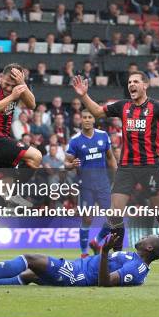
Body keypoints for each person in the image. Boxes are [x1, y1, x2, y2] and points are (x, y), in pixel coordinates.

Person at [72, 72, 159, 280]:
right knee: (115, 214)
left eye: (135, 82)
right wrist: (83, 95)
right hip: (126, 167)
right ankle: (116, 255)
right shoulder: (123, 106)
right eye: (129, 82)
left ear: (145, 85)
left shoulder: (157, 107)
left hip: (149, 167)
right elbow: (97, 111)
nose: (131, 85)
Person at [0, 64, 42, 251]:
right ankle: (18, 192)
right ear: (0, 77)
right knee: (36, 157)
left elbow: (32, 105)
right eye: (7, 83)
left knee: (5, 192)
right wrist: (13, 95)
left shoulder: (16, 88)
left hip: (2, 141)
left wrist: (23, 84)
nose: (9, 87)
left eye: (13, 85)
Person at [0, 234, 159, 288]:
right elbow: (102, 264)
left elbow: (105, 282)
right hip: (79, 267)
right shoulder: (132, 256)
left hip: (77, 275)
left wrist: (104, 252)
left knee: (32, 260)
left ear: (149, 247)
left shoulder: (136, 268)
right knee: (29, 275)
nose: (144, 236)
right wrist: (98, 250)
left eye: (149, 237)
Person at [65, 110, 117, 257]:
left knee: (113, 217)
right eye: (84, 117)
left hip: (103, 183)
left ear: (94, 120)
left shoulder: (103, 136)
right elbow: (66, 163)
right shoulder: (75, 140)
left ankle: (96, 241)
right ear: (80, 120)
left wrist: (117, 175)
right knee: (87, 218)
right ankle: (84, 253)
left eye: (89, 117)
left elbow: (110, 158)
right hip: (86, 185)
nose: (87, 120)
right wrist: (71, 164)